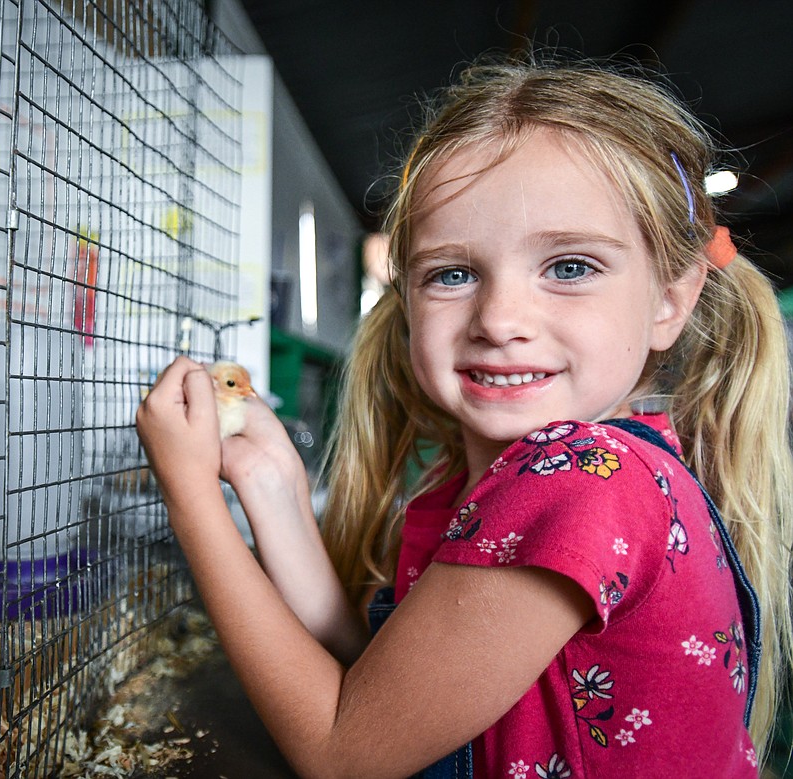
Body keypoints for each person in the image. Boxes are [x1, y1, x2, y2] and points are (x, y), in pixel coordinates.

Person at [136, 56, 793, 778]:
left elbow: (343, 750)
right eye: (454, 273)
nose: (501, 318)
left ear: (671, 298)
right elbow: (386, 685)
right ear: (408, 298)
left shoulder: (580, 478)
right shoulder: (506, 478)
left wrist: (192, 496)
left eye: (570, 266)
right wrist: (272, 486)